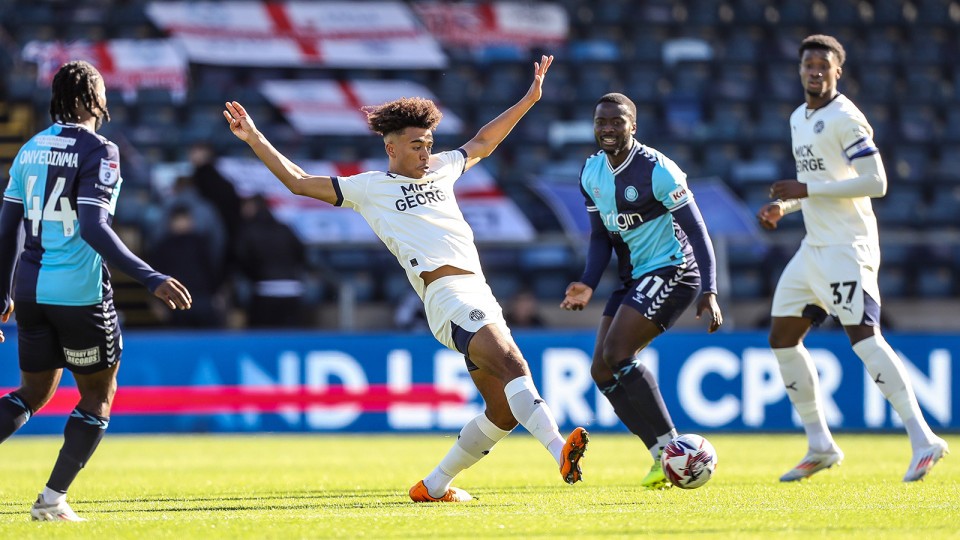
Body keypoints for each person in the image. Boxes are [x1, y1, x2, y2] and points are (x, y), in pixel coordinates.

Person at [223, 55, 589, 502]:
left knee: (502, 412)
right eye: (416, 144)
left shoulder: (442, 169)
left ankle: (433, 486)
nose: (425, 152)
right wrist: (255, 137)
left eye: (429, 143)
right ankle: (558, 451)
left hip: (479, 292)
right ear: (391, 147)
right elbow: (299, 181)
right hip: (446, 294)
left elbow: (482, 142)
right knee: (514, 364)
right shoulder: (369, 187)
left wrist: (529, 100)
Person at [0, 60, 192, 521]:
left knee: (31, 394)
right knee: (97, 398)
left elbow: (8, 230)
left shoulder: (30, 148)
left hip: (29, 290)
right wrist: (150, 277)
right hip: (79, 294)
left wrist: (1, 296)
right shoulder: (100, 149)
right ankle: (51, 501)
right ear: (93, 99)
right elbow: (93, 226)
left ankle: (52, 501)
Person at [756, 35, 948, 482]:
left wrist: (804, 191)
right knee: (782, 336)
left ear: (837, 71)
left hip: (848, 247)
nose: (815, 72)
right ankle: (820, 444)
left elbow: (876, 181)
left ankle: (924, 439)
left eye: (824, 65)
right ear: (799, 70)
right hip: (814, 247)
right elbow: (823, 182)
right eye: (808, 65)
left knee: (864, 339)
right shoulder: (798, 118)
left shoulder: (846, 118)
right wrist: (785, 208)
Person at [560, 92, 723, 490]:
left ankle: (674, 449)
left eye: (617, 122)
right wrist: (587, 282)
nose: (608, 129)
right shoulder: (591, 172)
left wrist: (710, 289)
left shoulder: (659, 170)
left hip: (674, 270)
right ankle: (659, 458)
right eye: (601, 122)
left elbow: (699, 231)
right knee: (600, 369)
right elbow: (600, 238)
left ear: (633, 126)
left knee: (618, 353)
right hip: (633, 277)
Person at [234, 194, 307, 328]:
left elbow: (242, 259)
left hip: (264, 290)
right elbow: (301, 254)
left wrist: (256, 277)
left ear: (252, 207)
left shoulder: (248, 231)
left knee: (263, 338)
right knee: (289, 337)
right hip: (292, 288)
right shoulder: (284, 228)